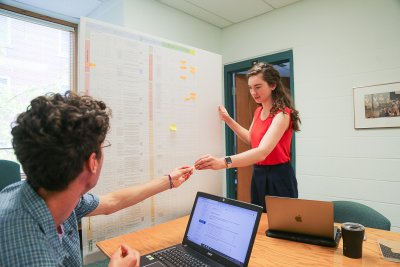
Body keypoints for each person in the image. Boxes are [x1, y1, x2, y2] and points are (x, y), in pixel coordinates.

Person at [0, 91, 193, 267]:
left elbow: (112, 202)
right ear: (92, 162)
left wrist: (168, 180)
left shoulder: (48, 191)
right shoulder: (31, 255)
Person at [194, 62, 300, 211]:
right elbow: (251, 139)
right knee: (259, 221)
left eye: (258, 87)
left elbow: (262, 152)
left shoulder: (282, 114)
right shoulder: (258, 111)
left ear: (273, 85)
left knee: (282, 223)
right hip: (258, 174)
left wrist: (224, 162)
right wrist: (228, 119)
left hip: (279, 176)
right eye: (250, 88)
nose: (253, 92)